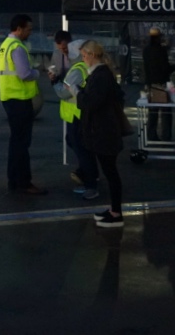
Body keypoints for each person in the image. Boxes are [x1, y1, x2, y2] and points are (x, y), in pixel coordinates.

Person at [76, 41, 127, 228]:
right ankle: (114, 209)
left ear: (91, 55)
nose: (83, 60)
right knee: (110, 171)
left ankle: (116, 213)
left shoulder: (100, 76)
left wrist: (77, 93)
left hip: (104, 131)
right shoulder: (103, 74)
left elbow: (91, 103)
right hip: (106, 130)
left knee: (111, 172)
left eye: (83, 56)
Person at [0, 14, 45, 195]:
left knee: (15, 142)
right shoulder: (17, 47)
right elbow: (25, 74)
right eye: (28, 29)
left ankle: (14, 180)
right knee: (22, 144)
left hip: (8, 97)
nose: (30, 32)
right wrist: (37, 72)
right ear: (19, 28)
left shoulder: (5, 45)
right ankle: (24, 182)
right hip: (19, 99)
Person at [56, 43, 99, 199]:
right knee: (80, 145)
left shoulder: (76, 70)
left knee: (81, 148)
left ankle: (90, 182)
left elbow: (63, 93)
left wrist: (55, 82)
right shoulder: (86, 69)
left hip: (75, 115)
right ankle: (90, 175)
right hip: (81, 114)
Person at [142, 27, 174, 141]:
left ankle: (151, 135)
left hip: (150, 83)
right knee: (166, 111)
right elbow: (164, 68)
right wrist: (174, 67)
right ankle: (166, 136)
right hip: (161, 84)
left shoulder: (146, 50)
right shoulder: (161, 50)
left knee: (153, 111)